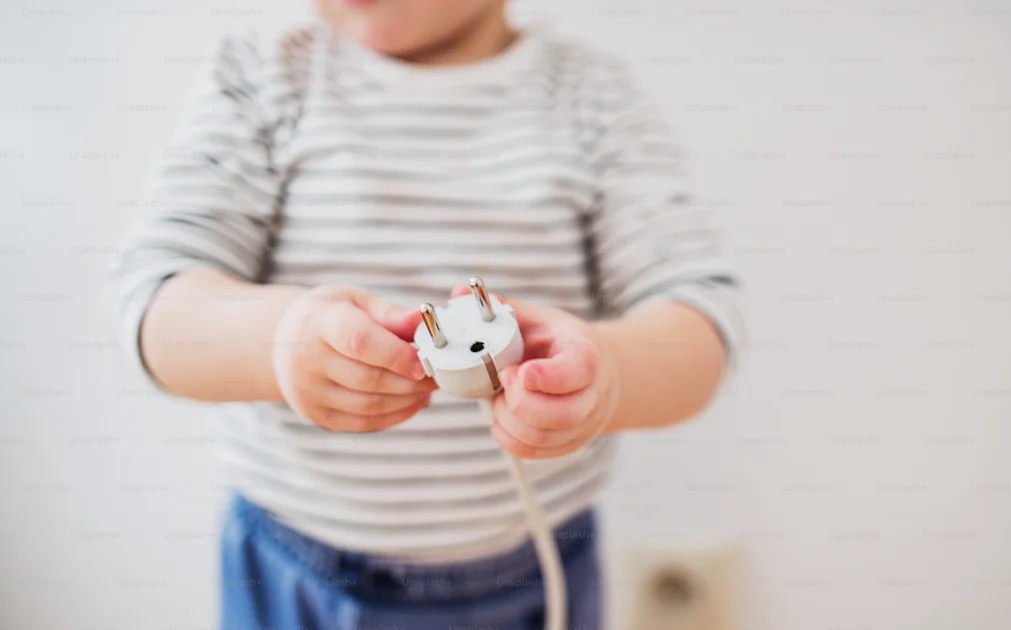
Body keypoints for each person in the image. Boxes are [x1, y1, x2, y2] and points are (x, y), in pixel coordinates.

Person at [109, 1, 740, 628]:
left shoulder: (593, 100)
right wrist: (278, 343)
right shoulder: (263, 76)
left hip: (537, 575)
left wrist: (612, 379)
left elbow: (698, 319)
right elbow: (159, 305)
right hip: (291, 572)